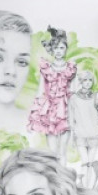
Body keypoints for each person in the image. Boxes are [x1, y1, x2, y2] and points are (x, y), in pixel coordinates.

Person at [27, 26, 76, 161]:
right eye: (56, 48)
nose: (58, 51)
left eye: (61, 48)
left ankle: (63, 174)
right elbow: (40, 90)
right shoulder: (46, 68)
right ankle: (55, 174)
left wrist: (75, 113)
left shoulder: (71, 68)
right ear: (52, 50)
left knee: (63, 151)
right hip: (50, 112)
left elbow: (73, 91)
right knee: (53, 153)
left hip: (66, 111)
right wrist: (36, 112)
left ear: (66, 49)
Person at [68, 70, 98, 188]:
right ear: (80, 81)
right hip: (80, 135)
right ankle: (84, 188)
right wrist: (71, 137)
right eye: (85, 80)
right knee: (85, 162)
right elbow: (71, 119)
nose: (88, 83)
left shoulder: (97, 97)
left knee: (90, 164)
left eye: (90, 80)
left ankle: (87, 188)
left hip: (94, 135)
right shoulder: (73, 98)